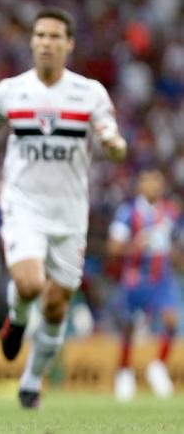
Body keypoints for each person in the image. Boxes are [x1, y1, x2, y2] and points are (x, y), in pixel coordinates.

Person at [0, 6, 127, 409]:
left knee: (57, 305)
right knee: (31, 284)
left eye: (55, 37)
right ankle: (18, 318)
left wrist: (115, 144)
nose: (46, 43)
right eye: (39, 35)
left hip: (71, 215)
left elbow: (111, 133)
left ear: (69, 44)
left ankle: (32, 381)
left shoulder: (88, 93)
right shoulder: (11, 90)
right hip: (23, 205)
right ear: (31, 41)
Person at [107, 169, 182, 401]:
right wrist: (135, 244)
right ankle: (125, 371)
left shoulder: (170, 212)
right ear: (141, 186)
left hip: (162, 279)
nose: (155, 187)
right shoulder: (128, 213)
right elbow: (113, 248)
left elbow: (177, 243)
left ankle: (158, 366)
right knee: (130, 327)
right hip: (135, 277)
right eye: (150, 182)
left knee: (171, 319)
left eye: (158, 182)